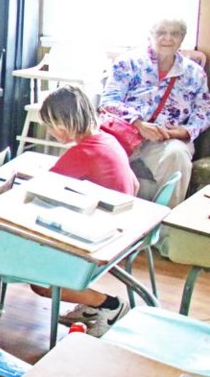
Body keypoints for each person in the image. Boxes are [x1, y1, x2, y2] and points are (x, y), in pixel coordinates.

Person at [31, 85, 137, 336]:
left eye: (51, 124)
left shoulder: (84, 151)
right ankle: (93, 306)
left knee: (39, 282)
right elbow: (135, 183)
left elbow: (41, 190)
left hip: (101, 243)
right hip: (122, 232)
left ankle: (108, 305)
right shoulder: (108, 140)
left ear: (65, 121)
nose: (49, 131)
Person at [99, 18, 210, 208]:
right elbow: (109, 101)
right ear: (150, 36)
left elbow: (204, 110)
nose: (167, 38)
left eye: (174, 33)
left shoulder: (194, 73)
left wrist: (184, 132)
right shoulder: (128, 63)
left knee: (177, 154)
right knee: (99, 151)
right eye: (161, 33)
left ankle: (165, 220)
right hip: (127, 135)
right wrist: (138, 124)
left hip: (168, 139)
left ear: (182, 38)